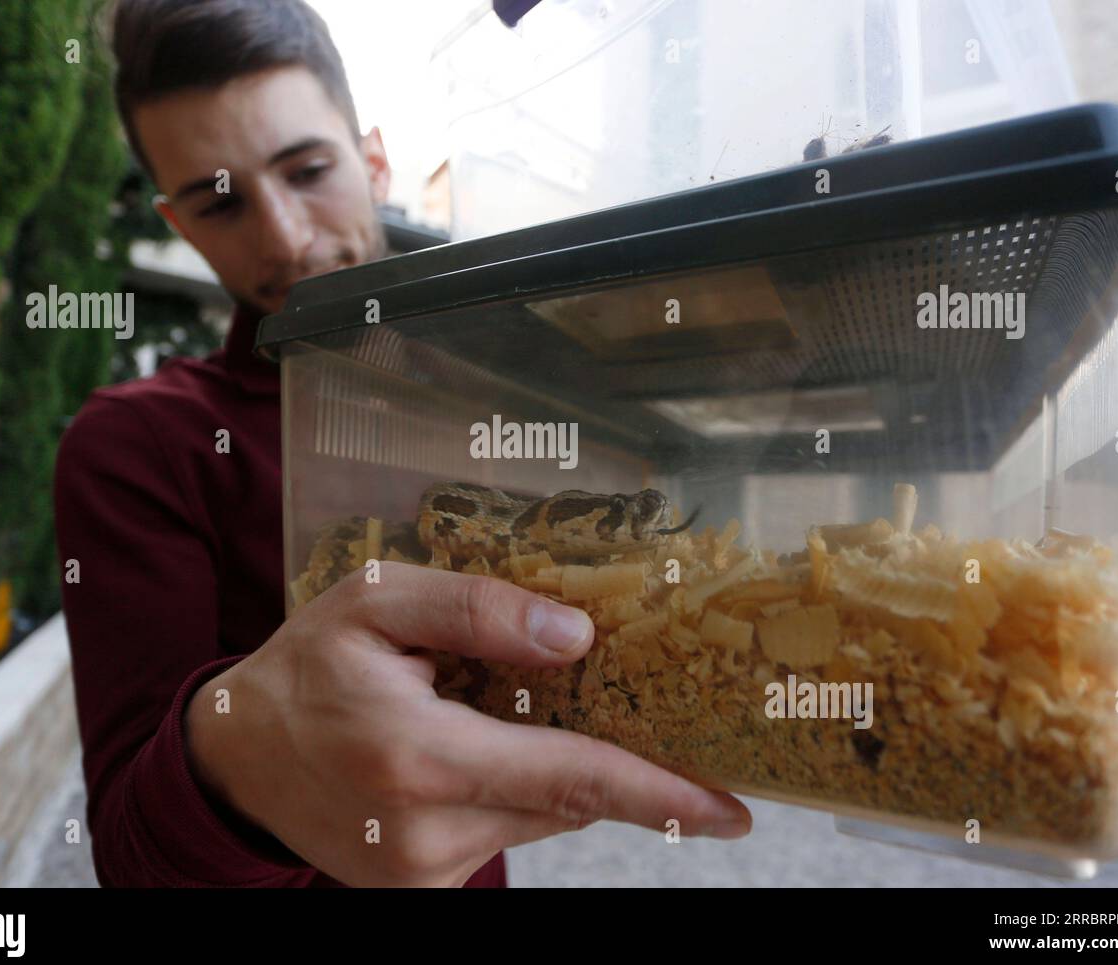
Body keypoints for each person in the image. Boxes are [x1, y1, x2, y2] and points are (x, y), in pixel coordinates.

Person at [54, 0, 752, 888]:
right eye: (219, 203)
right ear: (180, 224)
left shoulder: (492, 388)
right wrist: (236, 752)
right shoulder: (136, 446)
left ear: (373, 158)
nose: (285, 236)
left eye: (306, 170)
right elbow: (125, 849)